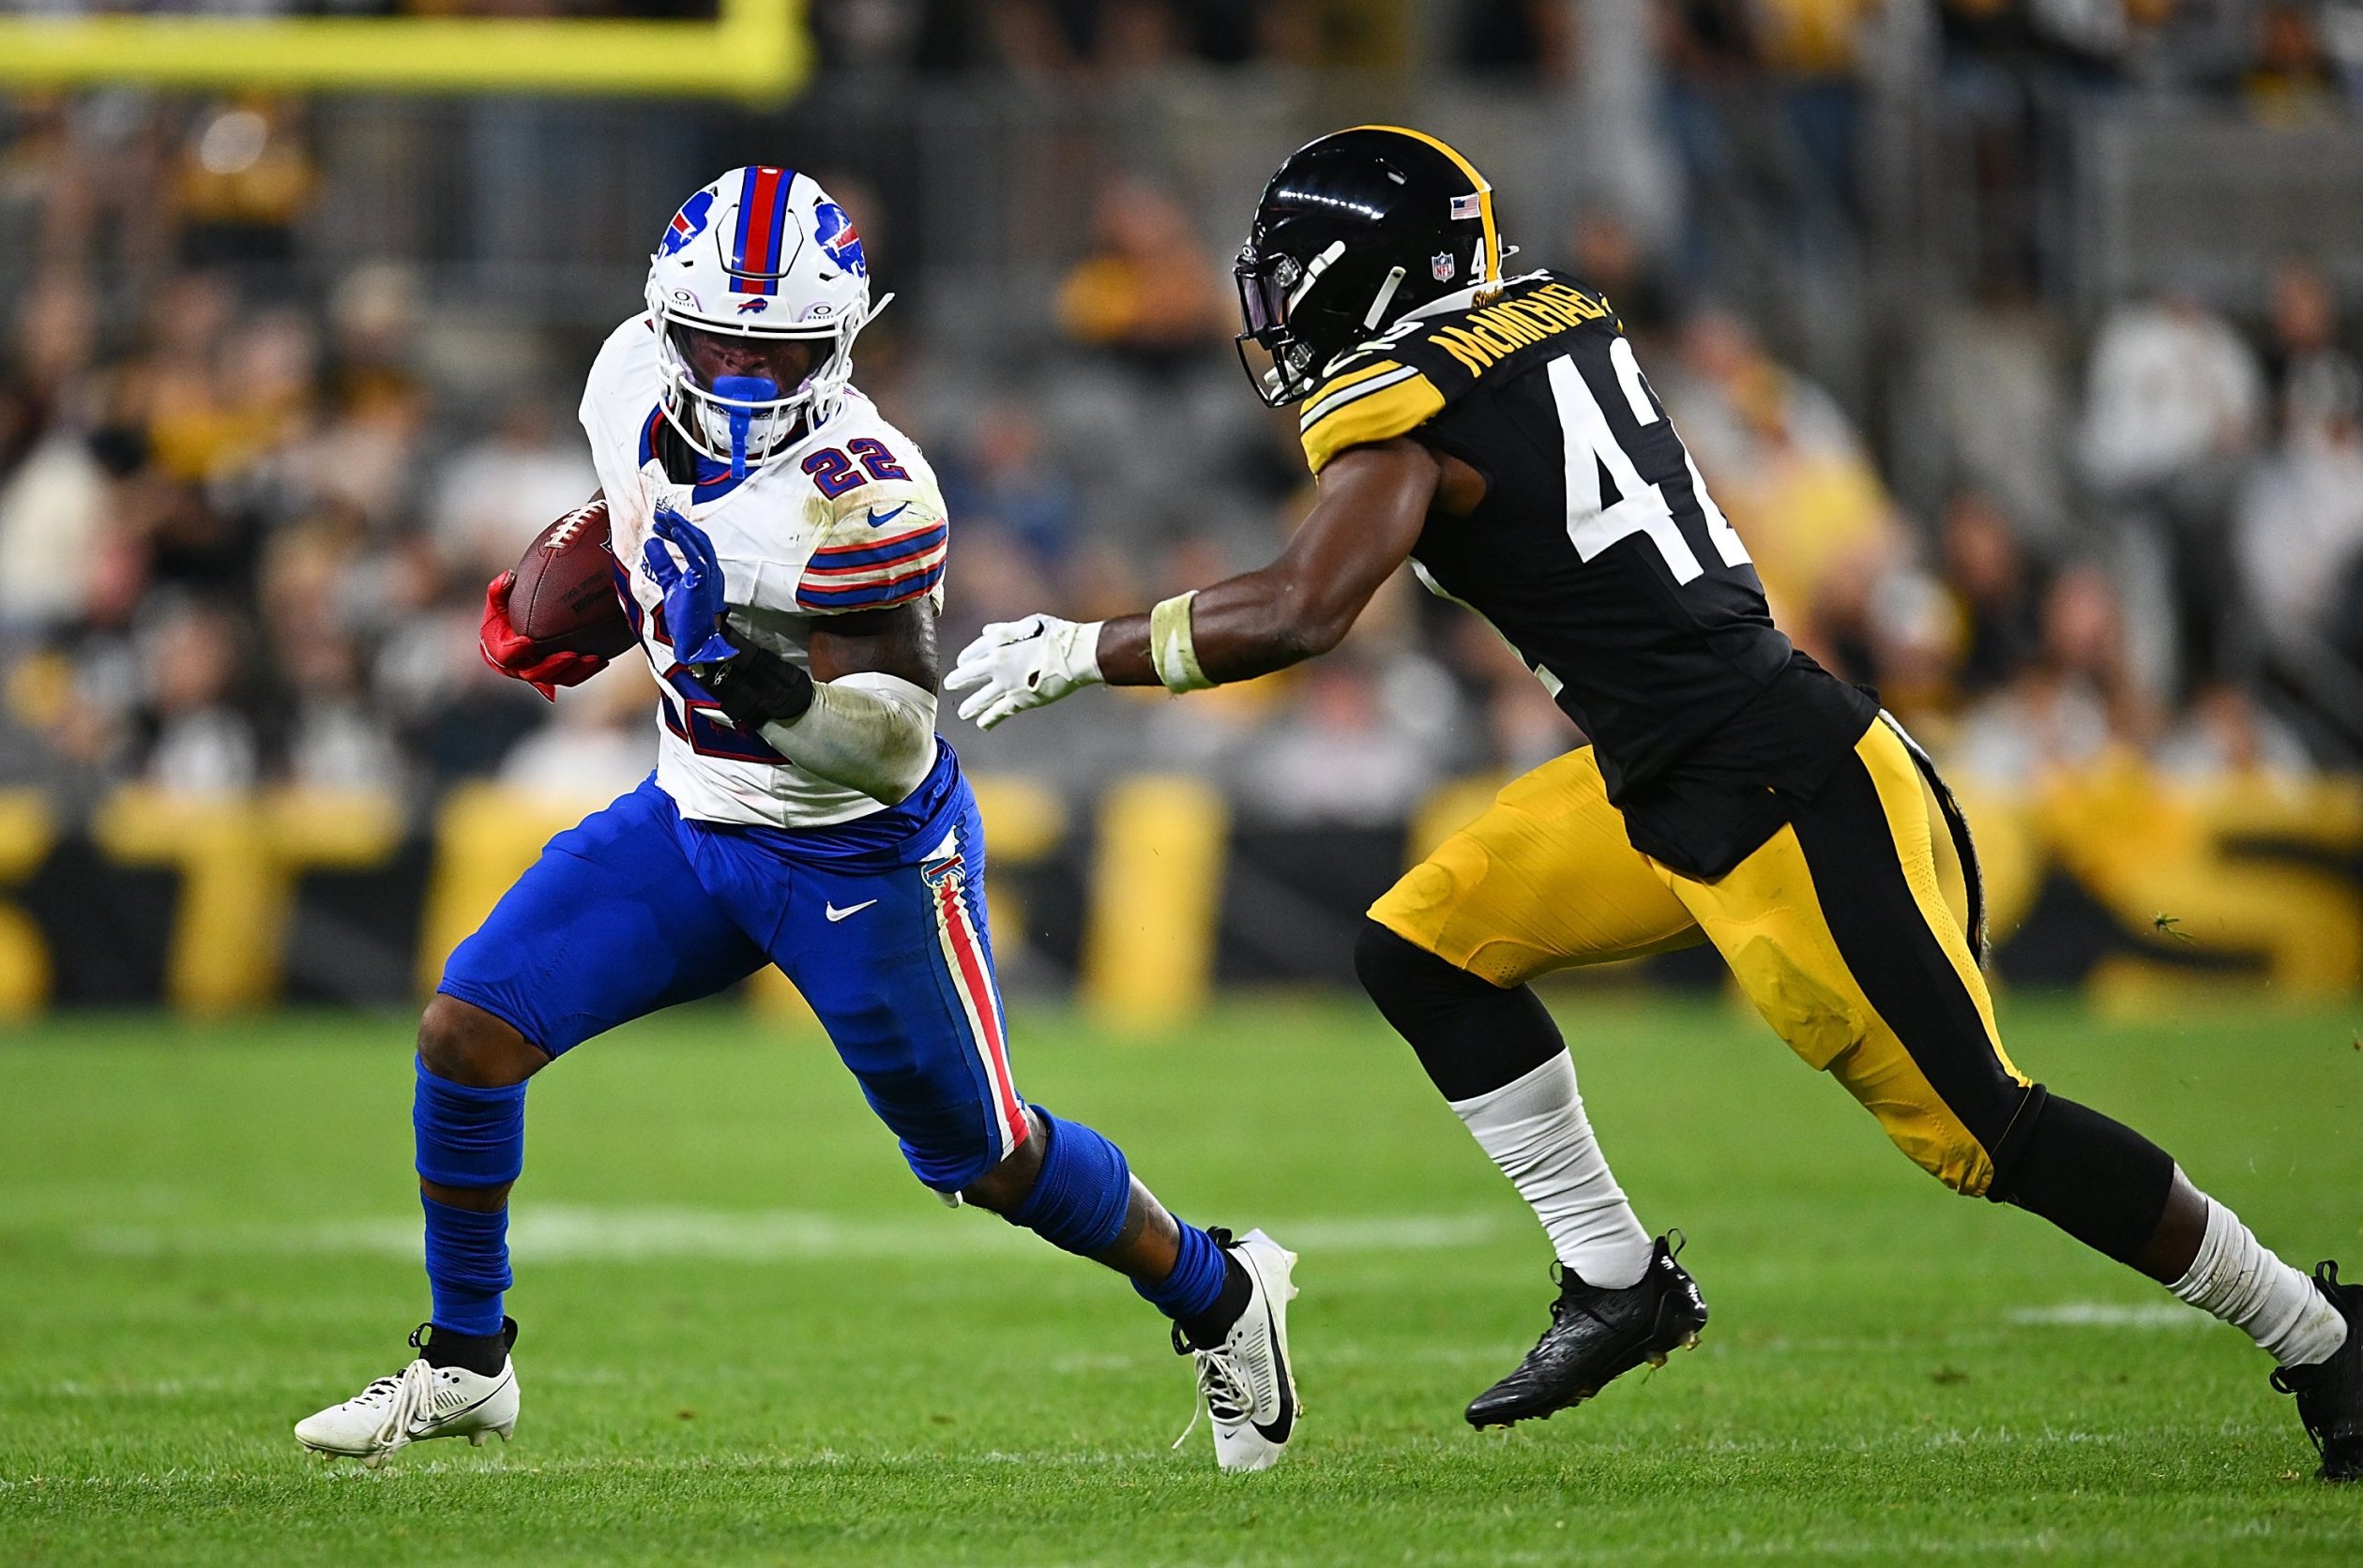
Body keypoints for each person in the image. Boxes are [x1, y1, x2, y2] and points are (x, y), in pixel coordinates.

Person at [944, 126, 2362, 1481]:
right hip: (1663, 772)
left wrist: (1087, 648)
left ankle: (2324, 1338)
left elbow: (1307, 613)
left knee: (1987, 1131)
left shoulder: (1409, 406)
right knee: (1424, 947)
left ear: (1367, 281)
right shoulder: (1550, 311)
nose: (1278, 319)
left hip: (1776, 784)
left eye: (1293, 285)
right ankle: (1617, 1280)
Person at [294, 166, 1299, 1473]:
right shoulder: (618, 382)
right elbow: (641, 527)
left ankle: (1221, 1294)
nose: (744, 380)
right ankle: (469, 1362)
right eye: (719, 343)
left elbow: (891, 741)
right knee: (469, 1031)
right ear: (663, 325)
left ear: (842, 343)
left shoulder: (868, 489)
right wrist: (587, 590)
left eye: (779, 353)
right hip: (692, 816)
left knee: (983, 1157)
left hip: (859, 854)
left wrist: (750, 678)